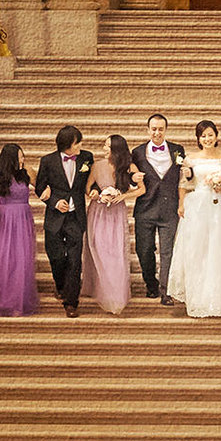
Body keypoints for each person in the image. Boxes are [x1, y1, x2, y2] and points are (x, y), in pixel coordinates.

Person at [165, 120, 221, 319]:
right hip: (196, 206)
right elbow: (184, 183)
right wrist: (181, 204)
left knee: (216, 250)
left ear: (216, 136)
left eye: (210, 135)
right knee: (196, 250)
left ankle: (217, 297)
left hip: (217, 207)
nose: (207, 139)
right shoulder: (190, 158)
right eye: (203, 136)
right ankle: (197, 297)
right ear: (198, 139)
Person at [33, 124, 93, 317]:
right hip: (55, 218)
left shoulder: (86, 158)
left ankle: (71, 302)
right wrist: (53, 201)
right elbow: (40, 188)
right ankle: (60, 286)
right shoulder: (48, 161)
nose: (80, 146)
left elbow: (92, 181)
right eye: (77, 143)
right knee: (57, 257)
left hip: (76, 217)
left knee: (75, 261)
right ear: (67, 144)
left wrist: (96, 191)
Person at [131, 114, 185, 303]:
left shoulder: (178, 150)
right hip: (145, 208)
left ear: (166, 130)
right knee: (143, 249)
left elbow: (184, 175)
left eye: (160, 129)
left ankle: (166, 291)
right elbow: (128, 175)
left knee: (167, 251)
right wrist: (132, 179)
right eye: (153, 129)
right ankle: (151, 284)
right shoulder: (137, 152)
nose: (157, 132)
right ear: (148, 130)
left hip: (169, 209)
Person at [83, 132, 136, 315]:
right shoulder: (97, 166)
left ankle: (114, 294)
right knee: (99, 250)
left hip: (116, 212)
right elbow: (88, 188)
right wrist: (94, 194)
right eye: (104, 145)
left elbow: (142, 189)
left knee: (114, 252)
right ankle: (101, 289)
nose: (104, 148)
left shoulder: (128, 167)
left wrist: (122, 195)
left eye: (108, 145)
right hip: (98, 212)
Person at [0, 143, 38, 317]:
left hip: (23, 218)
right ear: (11, 158)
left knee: (21, 258)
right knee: (3, 257)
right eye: (20, 156)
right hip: (4, 219)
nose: (23, 159)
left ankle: (19, 298)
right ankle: (2, 298)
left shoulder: (27, 172)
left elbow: (42, 186)